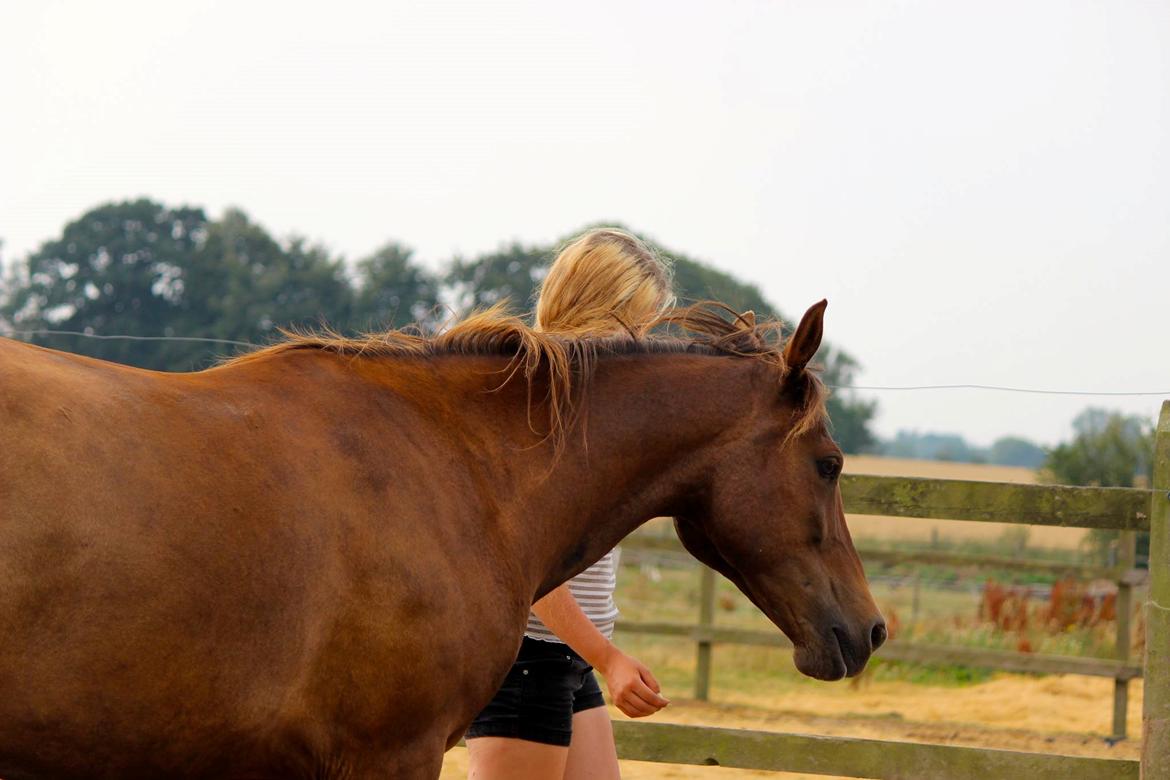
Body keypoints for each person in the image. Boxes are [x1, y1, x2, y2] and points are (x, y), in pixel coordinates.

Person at [466, 228, 673, 780]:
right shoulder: (540, 409)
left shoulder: (585, 406)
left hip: (570, 659)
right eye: (638, 323)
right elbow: (534, 569)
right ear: (601, 309)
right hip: (529, 660)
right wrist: (609, 659)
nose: (642, 342)